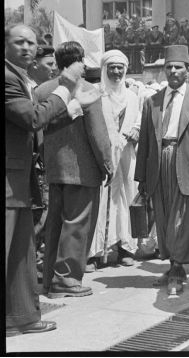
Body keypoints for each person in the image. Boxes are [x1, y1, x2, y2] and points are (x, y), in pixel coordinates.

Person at [5, 25, 83, 335]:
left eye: (31, 42)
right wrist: (66, 84)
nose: (26, 47)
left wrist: (70, 112)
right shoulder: (8, 78)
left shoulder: (20, 78)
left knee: (21, 255)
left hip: (20, 181)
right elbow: (32, 118)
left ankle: (20, 319)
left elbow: (31, 130)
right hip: (9, 182)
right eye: (18, 41)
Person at [135, 45, 189, 296]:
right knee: (164, 217)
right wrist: (141, 178)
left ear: (188, 70)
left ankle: (179, 270)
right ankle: (172, 265)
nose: (172, 71)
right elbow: (146, 141)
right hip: (159, 164)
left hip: (187, 166)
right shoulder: (153, 101)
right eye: (168, 67)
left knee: (182, 219)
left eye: (178, 67)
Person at [37, 41, 113, 298]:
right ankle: (66, 281)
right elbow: (98, 134)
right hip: (83, 169)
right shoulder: (88, 90)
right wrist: (107, 164)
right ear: (79, 60)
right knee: (77, 226)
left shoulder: (43, 90)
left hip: (54, 169)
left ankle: (49, 280)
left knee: (55, 226)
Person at [88, 51, 142, 270]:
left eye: (120, 67)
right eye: (112, 67)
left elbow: (139, 120)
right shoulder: (96, 94)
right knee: (101, 200)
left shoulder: (132, 96)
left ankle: (125, 249)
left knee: (127, 198)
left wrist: (136, 130)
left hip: (127, 154)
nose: (117, 72)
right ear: (104, 69)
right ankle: (94, 253)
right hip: (102, 156)